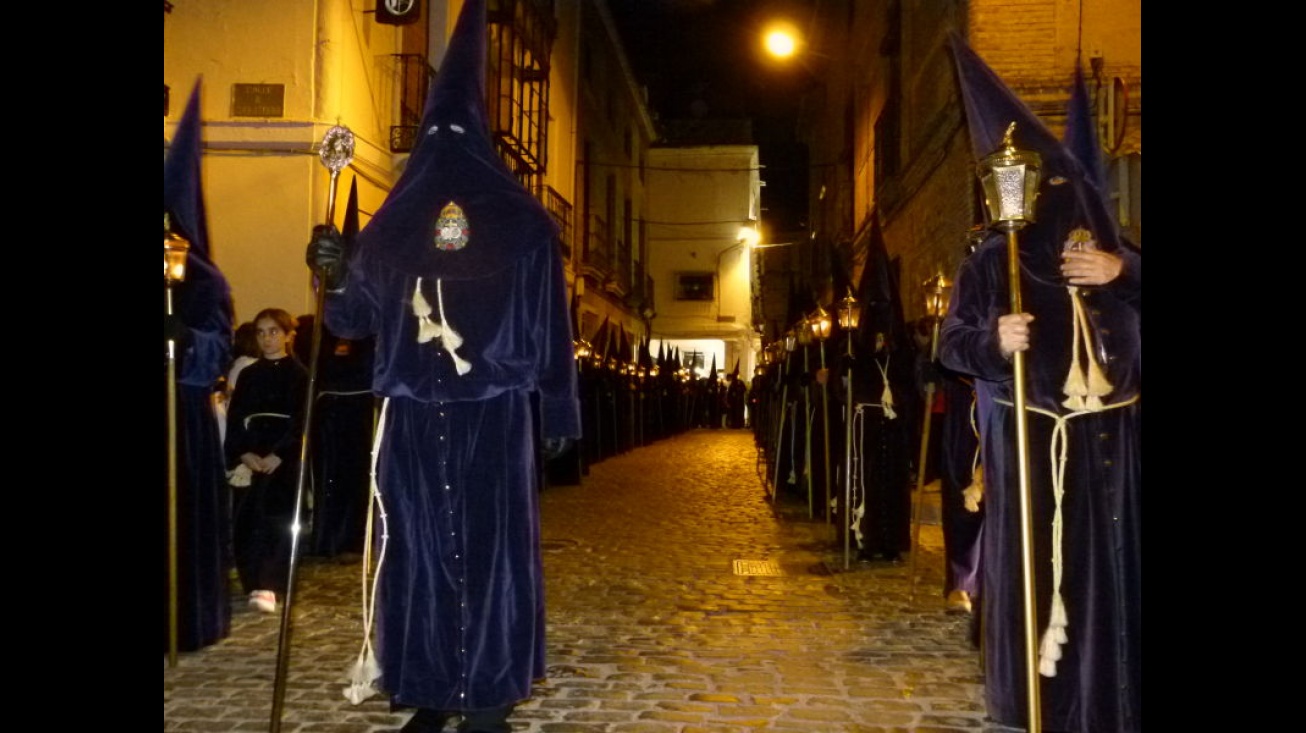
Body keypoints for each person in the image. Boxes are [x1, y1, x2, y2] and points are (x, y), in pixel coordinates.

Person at [306, 2, 580, 730]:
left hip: (493, 415)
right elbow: (353, 320)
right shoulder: (391, 229)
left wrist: (557, 410)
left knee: (493, 558)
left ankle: (487, 692)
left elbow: (552, 324)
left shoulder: (523, 224)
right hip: (411, 416)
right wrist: (333, 272)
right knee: (416, 555)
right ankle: (428, 686)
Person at [939, 36, 1141, 733]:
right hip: (1030, 450)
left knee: (1110, 586)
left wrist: (1125, 274)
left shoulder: (1115, 256)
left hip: (1115, 454)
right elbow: (952, 344)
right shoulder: (994, 261)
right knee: (1039, 583)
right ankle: (1035, 710)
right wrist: (996, 342)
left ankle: (1113, 706)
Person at [165, 79, 235, 655]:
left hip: (178, 421)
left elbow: (217, 347)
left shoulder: (205, 279)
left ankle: (183, 618)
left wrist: (184, 338)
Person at [223, 308, 308, 614]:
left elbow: (302, 420)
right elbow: (235, 417)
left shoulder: (300, 375)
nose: (267, 338)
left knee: (277, 519)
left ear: (287, 336)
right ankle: (252, 580)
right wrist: (243, 452)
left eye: (273, 332)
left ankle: (271, 584)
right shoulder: (248, 374)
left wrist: (279, 454)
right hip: (252, 449)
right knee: (246, 518)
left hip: (280, 455)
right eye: (261, 332)